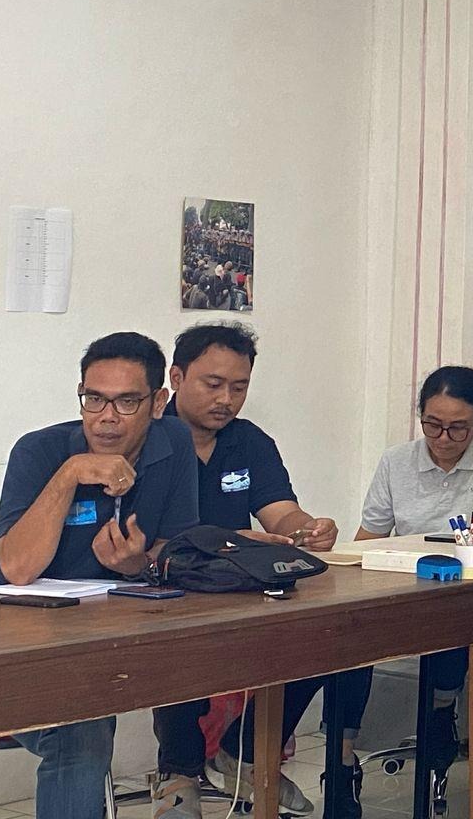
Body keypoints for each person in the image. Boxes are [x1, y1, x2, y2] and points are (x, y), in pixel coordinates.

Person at [0, 332, 199, 819]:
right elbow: (17, 568)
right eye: (94, 399)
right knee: (79, 728)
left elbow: (178, 548)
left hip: (117, 635)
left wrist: (138, 565)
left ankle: (202, 770)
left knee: (208, 661)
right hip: (25, 641)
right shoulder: (38, 450)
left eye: (127, 402)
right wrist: (70, 474)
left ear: (158, 403)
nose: (106, 417)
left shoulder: (174, 442)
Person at [150, 323, 340, 819]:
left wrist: (308, 530)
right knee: (180, 640)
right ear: (176, 377)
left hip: (234, 585)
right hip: (163, 586)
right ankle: (178, 773)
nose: (226, 399)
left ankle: (246, 753)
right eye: (213, 384)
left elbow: (280, 513)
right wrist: (234, 539)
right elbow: (148, 537)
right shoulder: (150, 439)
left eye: (239, 387)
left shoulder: (249, 441)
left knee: (324, 636)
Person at [328, 368, 473, 817]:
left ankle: (441, 708)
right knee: (347, 630)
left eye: (458, 428)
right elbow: (368, 540)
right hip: (407, 589)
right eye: (433, 425)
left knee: (451, 614)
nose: (443, 438)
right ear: (420, 415)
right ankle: (341, 757)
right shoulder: (397, 461)